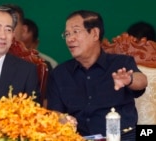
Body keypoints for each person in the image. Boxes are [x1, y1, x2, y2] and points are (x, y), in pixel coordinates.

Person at [46, 10, 148, 141]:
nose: (70, 39)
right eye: (67, 34)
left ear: (94, 34)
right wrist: (62, 120)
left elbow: (142, 81)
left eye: (76, 32)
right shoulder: (60, 73)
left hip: (123, 137)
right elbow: (54, 112)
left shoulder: (121, 62)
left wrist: (129, 79)